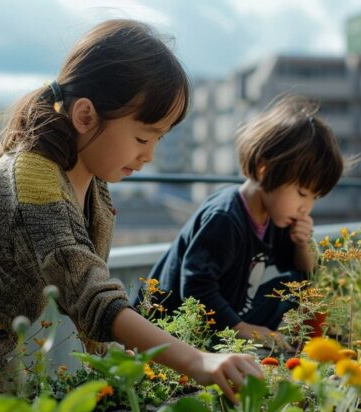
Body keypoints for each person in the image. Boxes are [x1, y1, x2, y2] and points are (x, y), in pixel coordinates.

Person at [0, 19, 263, 412]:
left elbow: (81, 285)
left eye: (158, 140)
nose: (149, 155)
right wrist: (197, 360)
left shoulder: (93, 184)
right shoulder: (33, 181)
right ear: (85, 116)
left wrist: (111, 349)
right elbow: (90, 292)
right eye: (143, 138)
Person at [141, 96, 344, 347]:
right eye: (302, 193)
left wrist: (302, 244)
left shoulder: (274, 217)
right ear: (264, 169)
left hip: (212, 329)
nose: (307, 207)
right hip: (165, 333)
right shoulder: (225, 217)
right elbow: (195, 288)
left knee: (291, 284)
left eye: (315, 197)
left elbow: (304, 275)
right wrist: (244, 329)